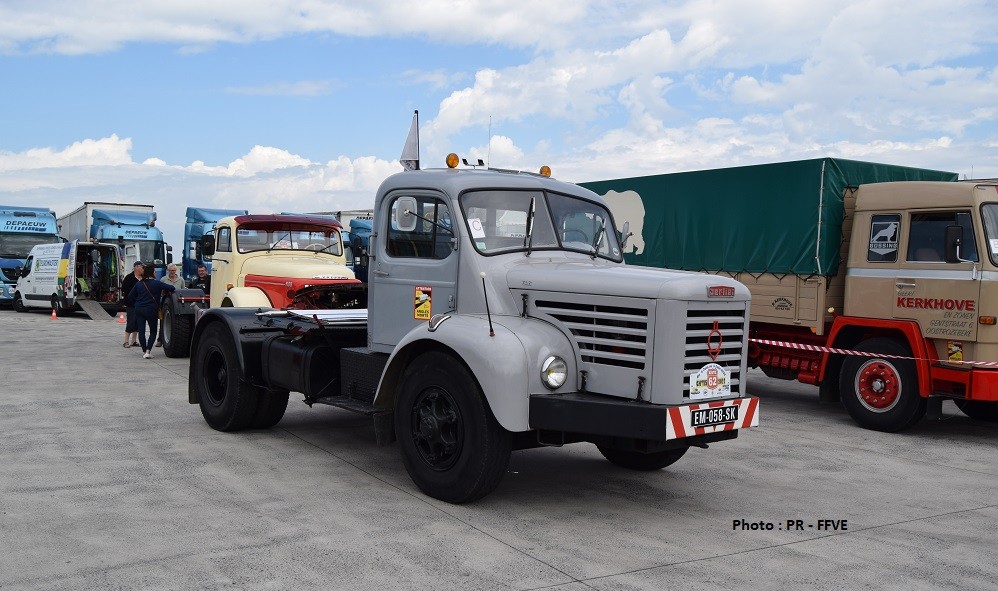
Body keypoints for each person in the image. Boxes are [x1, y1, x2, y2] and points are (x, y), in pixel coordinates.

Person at [126, 263, 176, 359]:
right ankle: (148, 351)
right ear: (152, 273)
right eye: (154, 272)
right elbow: (172, 288)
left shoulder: (139, 283)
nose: (156, 273)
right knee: (153, 331)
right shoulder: (157, 283)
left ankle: (144, 350)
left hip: (139, 309)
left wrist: (137, 303)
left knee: (141, 331)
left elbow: (130, 296)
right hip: (151, 309)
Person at [155, 263, 185, 347]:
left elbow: (182, 291)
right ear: (168, 270)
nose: (172, 272)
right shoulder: (163, 279)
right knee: (163, 321)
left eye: (174, 270)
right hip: (165, 304)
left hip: (177, 304)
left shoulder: (181, 280)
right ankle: (160, 339)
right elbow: (159, 292)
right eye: (171, 270)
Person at [120, 261, 144, 348]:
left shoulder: (143, 278)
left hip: (141, 304)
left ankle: (134, 341)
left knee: (138, 322)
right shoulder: (129, 278)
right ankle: (126, 341)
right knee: (131, 322)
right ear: (136, 267)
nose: (143, 269)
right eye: (142, 267)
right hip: (131, 304)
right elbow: (124, 289)